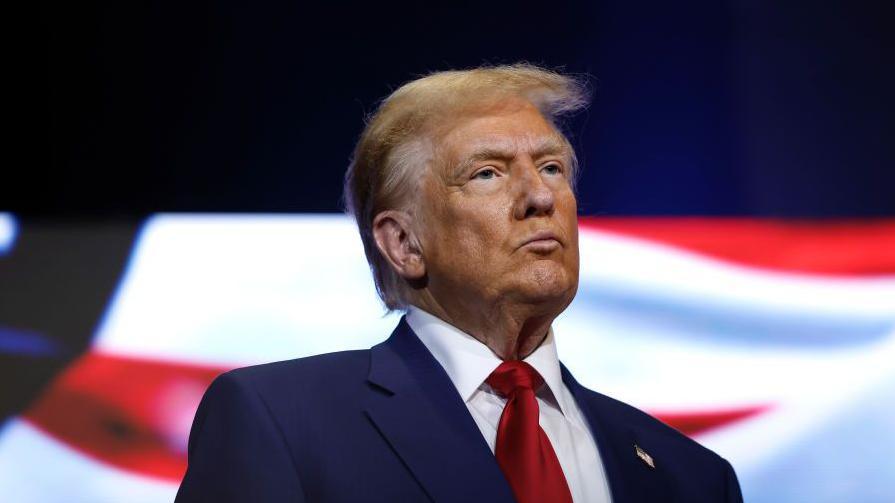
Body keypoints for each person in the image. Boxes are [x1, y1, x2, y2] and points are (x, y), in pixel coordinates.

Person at [175, 64, 743, 502]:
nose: (540, 197)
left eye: (551, 168)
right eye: (487, 173)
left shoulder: (689, 476)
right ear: (403, 244)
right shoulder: (282, 421)